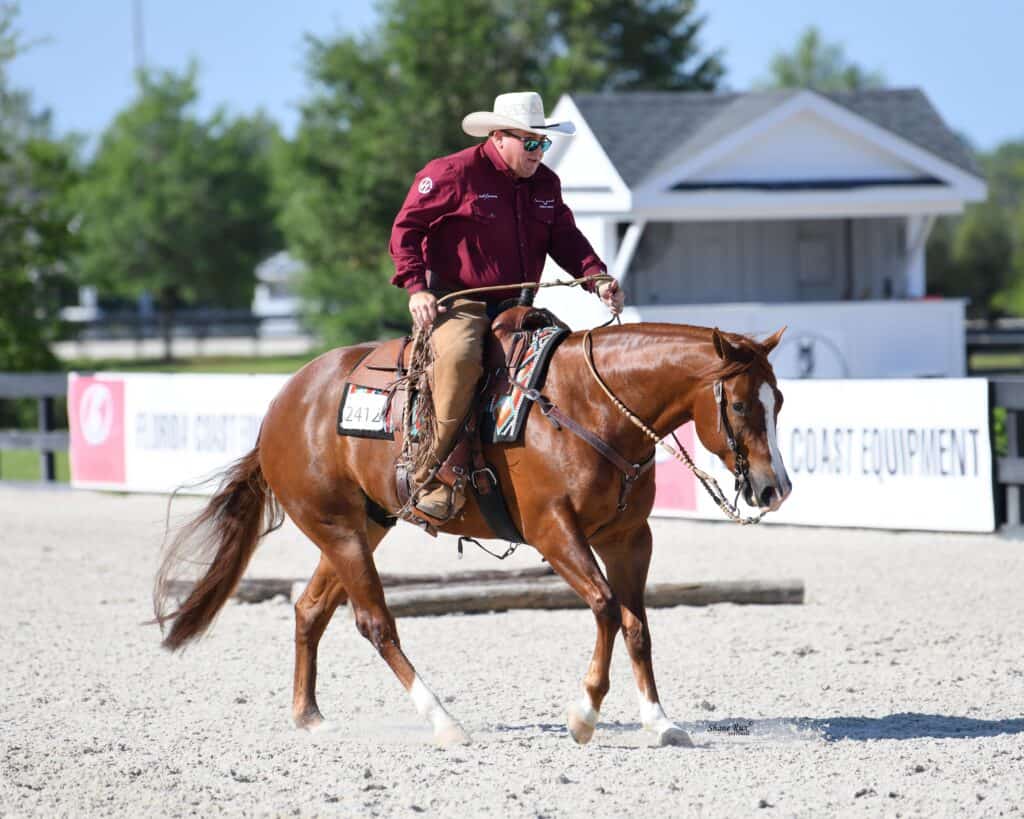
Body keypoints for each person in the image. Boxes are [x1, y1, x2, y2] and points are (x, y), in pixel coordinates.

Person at [389, 91, 624, 521]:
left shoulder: (547, 185)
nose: (538, 152)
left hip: (519, 307)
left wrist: (597, 276)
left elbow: (565, 239)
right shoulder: (452, 173)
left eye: (543, 143)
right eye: (530, 143)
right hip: (459, 304)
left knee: (565, 359)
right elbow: (406, 228)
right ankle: (433, 473)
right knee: (460, 359)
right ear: (499, 137)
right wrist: (415, 288)